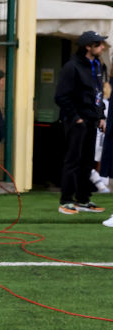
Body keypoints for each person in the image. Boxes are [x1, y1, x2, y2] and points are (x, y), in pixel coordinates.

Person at [55, 31, 108, 215]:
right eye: (99, 44)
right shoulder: (72, 67)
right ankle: (66, 200)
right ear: (88, 46)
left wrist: (101, 116)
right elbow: (61, 96)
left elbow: (98, 94)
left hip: (92, 121)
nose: (102, 47)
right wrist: (76, 117)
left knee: (87, 162)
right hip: (76, 121)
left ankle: (83, 199)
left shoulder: (99, 66)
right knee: (73, 161)